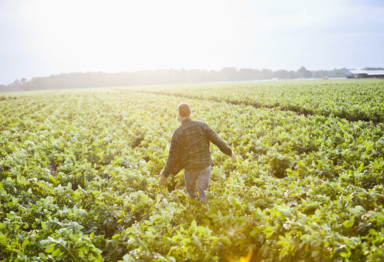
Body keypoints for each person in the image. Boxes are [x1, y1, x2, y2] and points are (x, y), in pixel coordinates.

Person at [159, 103, 236, 202]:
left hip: (190, 168)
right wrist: (230, 153)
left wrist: (164, 175)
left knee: (191, 195)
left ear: (179, 114)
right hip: (205, 166)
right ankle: (204, 211)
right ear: (190, 112)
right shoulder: (202, 125)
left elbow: (173, 156)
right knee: (204, 195)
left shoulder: (178, 132)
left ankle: (195, 212)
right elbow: (217, 140)